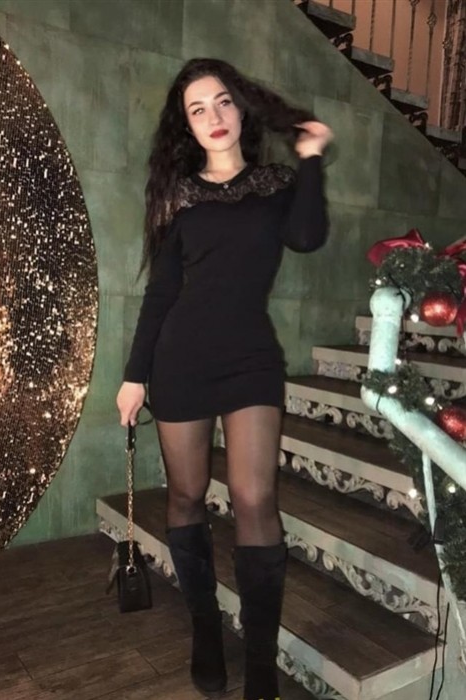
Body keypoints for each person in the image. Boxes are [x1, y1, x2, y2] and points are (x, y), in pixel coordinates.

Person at [116, 57, 332, 700]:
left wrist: (312, 160)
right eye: (197, 109)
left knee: (254, 498)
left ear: (242, 108)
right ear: (185, 125)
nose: (213, 116)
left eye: (222, 102)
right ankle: (206, 628)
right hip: (180, 359)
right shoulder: (179, 196)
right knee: (186, 496)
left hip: (251, 360)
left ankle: (260, 660)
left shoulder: (275, 184)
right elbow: (162, 292)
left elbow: (307, 237)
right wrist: (134, 376)